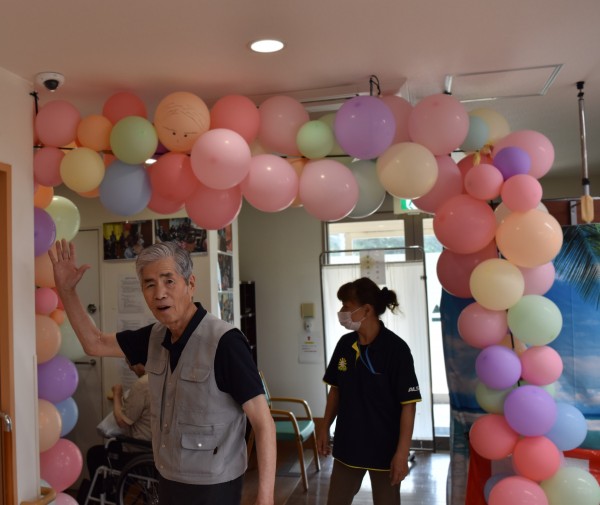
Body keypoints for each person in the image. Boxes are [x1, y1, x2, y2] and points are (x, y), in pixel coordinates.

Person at [49, 239, 276, 505]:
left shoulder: (225, 342)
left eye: (169, 281)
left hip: (214, 485)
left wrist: (265, 497)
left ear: (190, 284)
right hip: (167, 477)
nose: (159, 293)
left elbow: (263, 422)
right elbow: (94, 343)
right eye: (149, 284)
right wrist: (67, 291)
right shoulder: (154, 337)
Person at [317, 277, 422, 505]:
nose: (341, 312)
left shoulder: (396, 350)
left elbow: (409, 405)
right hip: (348, 445)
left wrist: (402, 453)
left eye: (346, 306)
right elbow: (335, 391)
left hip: (385, 449)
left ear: (366, 310)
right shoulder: (345, 345)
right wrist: (324, 427)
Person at [77, 361, 152, 504]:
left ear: (140, 362)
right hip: (156, 452)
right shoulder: (163, 378)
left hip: (139, 452)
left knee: (95, 454)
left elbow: (123, 421)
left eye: (130, 363)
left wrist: (117, 394)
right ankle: (113, 492)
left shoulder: (143, 384)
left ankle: (106, 497)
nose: (130, 368)